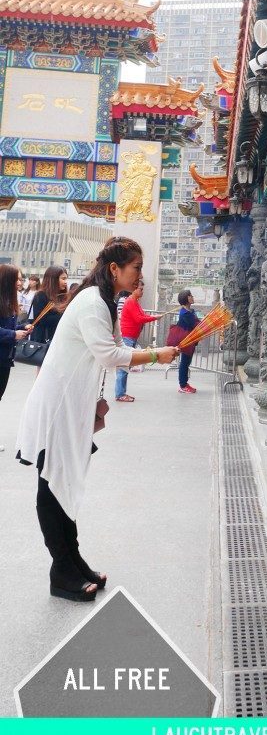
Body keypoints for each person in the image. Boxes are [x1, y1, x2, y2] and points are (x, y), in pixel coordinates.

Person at [16, 237, 179, 603]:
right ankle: (61, 571)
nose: (140, 275)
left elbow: (108, 352)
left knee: (64, 482)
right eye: (136, 267)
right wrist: (156, 355)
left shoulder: (104, 300)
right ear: (114, 269)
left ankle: (73, 561)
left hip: (72, 405)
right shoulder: (93, 301)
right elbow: (108, 355)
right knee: (51, 484)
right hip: (57, 408)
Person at [115, 281, 162, 402]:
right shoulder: (131, 301)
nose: (142, 291)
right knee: (124, 366)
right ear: (134, 289)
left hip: (130, 337)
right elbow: (139, 318)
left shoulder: (134, 301)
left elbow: (142, 316)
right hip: (127, 337)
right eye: (140, 289)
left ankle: (121, 393)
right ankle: (120, 394)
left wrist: (152, 317)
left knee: (126, 366)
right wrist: (154, 318)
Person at [0, 267, 30, 451]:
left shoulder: (9, 301)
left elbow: (9, 327)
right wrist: (13, 334)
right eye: (17, 279)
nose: (20, 283)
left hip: (5, 359)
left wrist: (22, 328)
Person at [31, 266, 68, 345]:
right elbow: (41, 319)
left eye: (66, 279)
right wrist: (65, 316)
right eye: (63, 279)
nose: (66, 282)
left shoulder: (64, 296)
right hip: (44, 340)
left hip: (60, 339)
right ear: (53, 279)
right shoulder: (41, 295)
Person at [176, 289, 199, 394]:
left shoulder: (190, 311)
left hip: (191, 341)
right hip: (186, 341)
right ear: (186, 298)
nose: (192, 297)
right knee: (184, 363)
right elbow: (195, 325)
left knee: (186, 362)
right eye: (190, 296)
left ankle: (184, 383)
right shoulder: (185, 313)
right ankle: (183, 385)